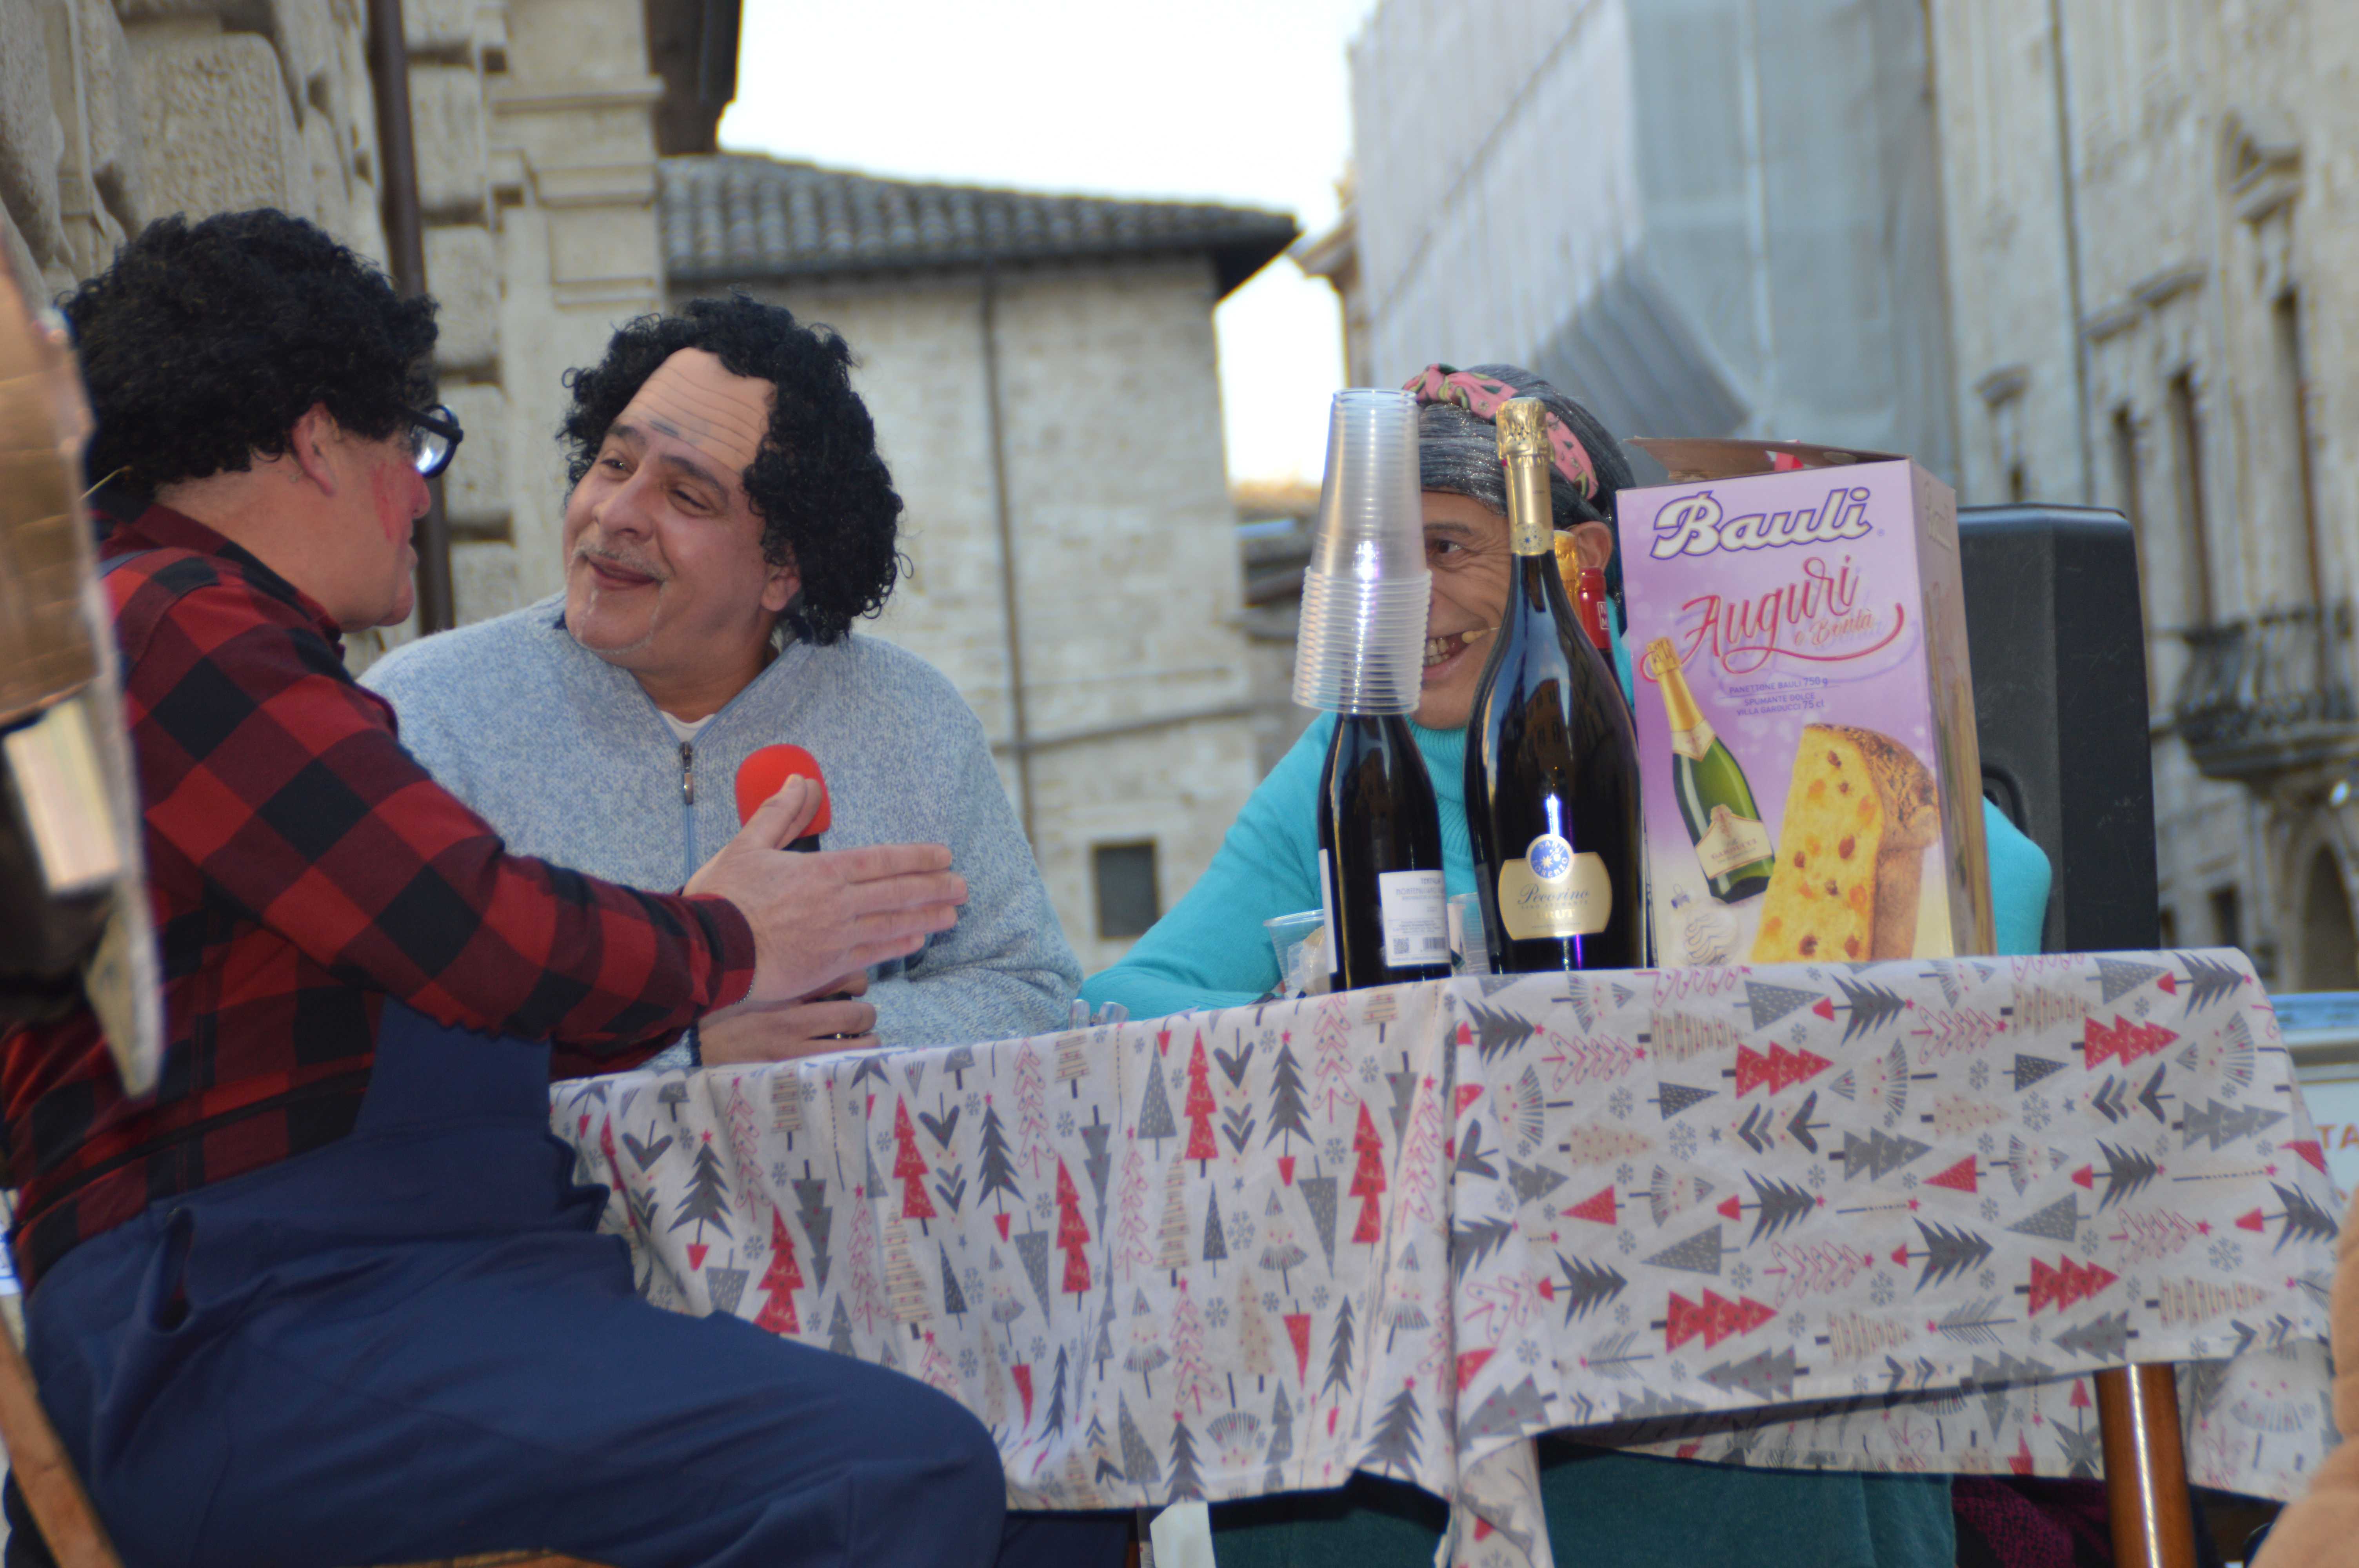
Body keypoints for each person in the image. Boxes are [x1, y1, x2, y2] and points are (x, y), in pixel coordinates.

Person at [0, 209, 1123, 1568]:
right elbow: (474, 935)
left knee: (1043, 1500)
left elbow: (437, 986)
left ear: (785, 569)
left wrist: (776, 1005)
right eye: (415, 450)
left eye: (688, 495)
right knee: (900, 1464)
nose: (425, 501)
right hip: (262, 1331)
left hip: (345, 1305)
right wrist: (725, 950)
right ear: (316, 443)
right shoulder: (182, 633)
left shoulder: (184, 638)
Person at [1084, 365, 2055, 1568]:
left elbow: (2003, 876)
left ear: (1575, 559)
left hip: (1721, 1283)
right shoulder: (1352, 750)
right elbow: (1129, 997)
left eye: (1449, 548)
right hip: (1445, 1325)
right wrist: (1349, 1022)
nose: (1409, 600)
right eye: (1382, 561)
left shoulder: (1707, 678)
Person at [363, 295, 1078, 1064]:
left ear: (783, 568)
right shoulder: (424, 713)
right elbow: (379, 1042)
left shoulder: (913, 718)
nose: (617, 512)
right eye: (614, 463)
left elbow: (1031, 987)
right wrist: (684, 1050)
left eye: (686, 496)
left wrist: (833, 1033)